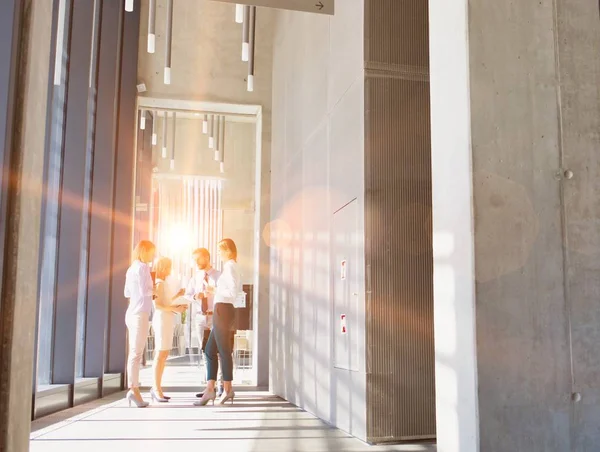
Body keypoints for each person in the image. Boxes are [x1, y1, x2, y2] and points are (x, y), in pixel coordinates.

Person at [195, 238, 240, 406]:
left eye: (220, 250)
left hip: (223, 309)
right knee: (209, 350)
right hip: (221, 309)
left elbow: (233, 292)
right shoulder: (229, 267)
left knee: (224, 351)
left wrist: (216, 290)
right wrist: (216, 290)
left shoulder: (230, 267)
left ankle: (227, 389)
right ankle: (210, 390)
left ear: (228, 250)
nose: (219, 254)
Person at [183, 248, 223, 398]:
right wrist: (195, 296)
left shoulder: (219, 276)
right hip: (200, 317)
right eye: (194, 260)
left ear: (207, 257)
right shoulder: (196, 278)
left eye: (198, 259)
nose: (196, 263)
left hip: (214, 317)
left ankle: (220, 385)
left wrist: (214, 291)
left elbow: (225, 293)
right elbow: (187, 295)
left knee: (217, 351)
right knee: (204, 352)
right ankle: (209, 386)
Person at [123, 240, 156, 408]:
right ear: (144, 251)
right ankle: (133, 390)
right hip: (140, 314)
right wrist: (156, 290)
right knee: (136, 354)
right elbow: (145, 291)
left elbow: (126, 292)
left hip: (131, 313)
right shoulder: (143, 268)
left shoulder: (131, 268)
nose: (152, 256)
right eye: (151, 252)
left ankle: (133, 389)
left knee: (135, 353)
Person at [150, 257, 186, 403]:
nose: (170, 270)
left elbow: (165, 302)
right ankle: (156, 389)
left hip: (166, 319)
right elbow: (158, 305)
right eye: (169, 267)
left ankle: (157, 388)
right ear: (164, 268)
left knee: (163, 354)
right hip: (162, 319)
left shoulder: (162, 283)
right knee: (160, 354)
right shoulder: (159, 283)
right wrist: (176, 308)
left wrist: (177, 297)